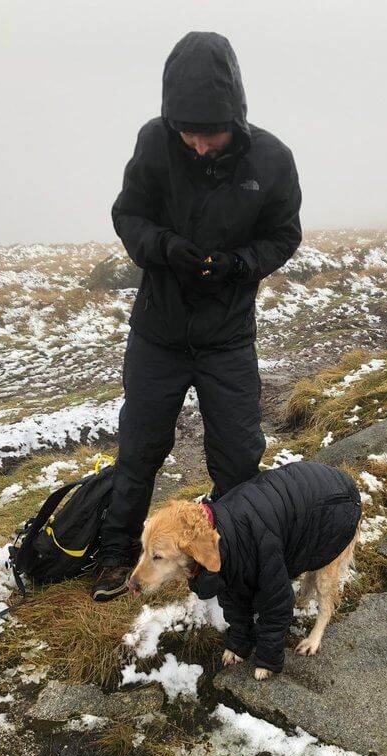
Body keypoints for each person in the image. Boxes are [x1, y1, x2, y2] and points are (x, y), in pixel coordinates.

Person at [92, 31, 302, 601]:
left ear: (236, 115)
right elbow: (128, 213)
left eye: (211, 132)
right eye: (188, 133)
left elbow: (284, 234)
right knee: (139, 450)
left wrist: (240, 264)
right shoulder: (154, 144)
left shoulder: (273, 159)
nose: (200, 145)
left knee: (237, 456)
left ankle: (230, 557)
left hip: (227, 338)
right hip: (158, 333)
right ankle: (117, 555)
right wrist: (164, 247)